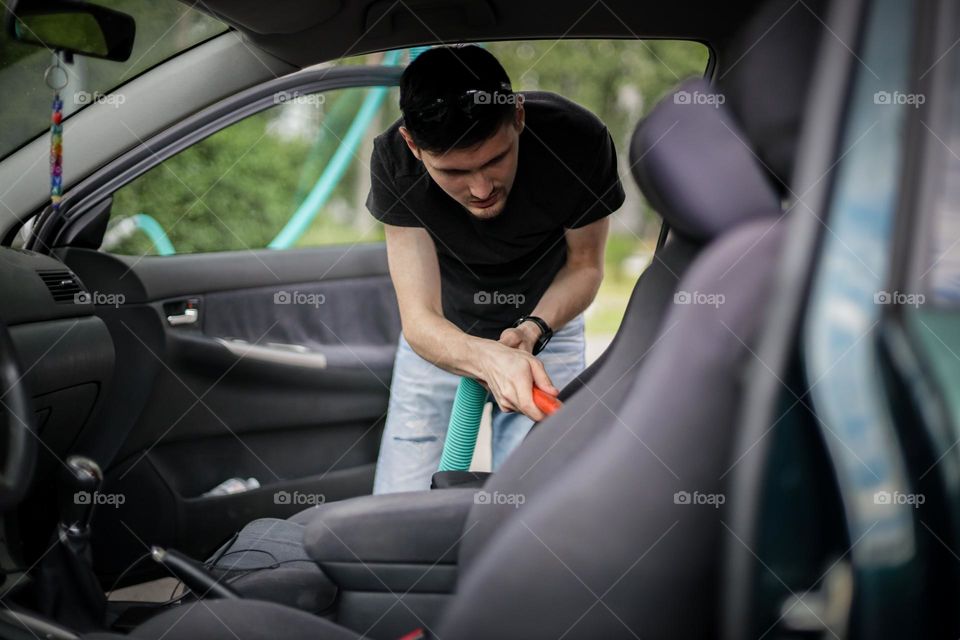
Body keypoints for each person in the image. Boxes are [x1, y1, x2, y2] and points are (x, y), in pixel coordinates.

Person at [367, 45, 624, 493]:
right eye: (453, 172)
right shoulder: (395, 159)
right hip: (443, 335)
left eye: (495, 159)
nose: (481, 188)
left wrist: (531, 332)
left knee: (539, 507)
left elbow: (585, 266)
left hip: (548, 330)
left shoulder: (577, 141)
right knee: (398, 504)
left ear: (518, 117)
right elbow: (419, 317)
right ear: (413, 144)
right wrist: (487, 358)